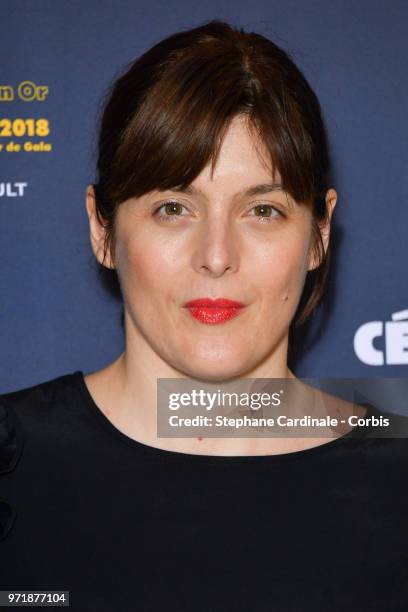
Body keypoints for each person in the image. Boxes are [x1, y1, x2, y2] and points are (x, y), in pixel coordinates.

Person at [1, 19, 407, 612]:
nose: (217, 257)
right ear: (102, 229)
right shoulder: (11, 465)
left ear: (319, 232)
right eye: (173, 207)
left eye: (262, 210)